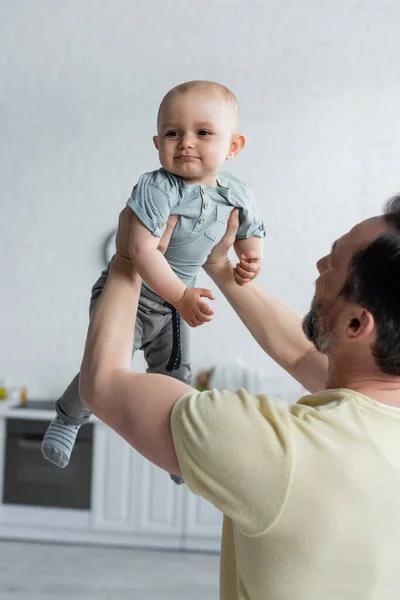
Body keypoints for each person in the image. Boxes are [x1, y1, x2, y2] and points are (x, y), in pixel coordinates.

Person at [80, 196, 400, 600]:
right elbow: (302, 354)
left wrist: (130, 257)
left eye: (333, 265)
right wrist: (218, 266)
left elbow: (104, 384)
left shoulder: (284, 451)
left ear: (356, 323)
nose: (320, 266)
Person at [41, 80, 264, 476]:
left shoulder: (237, 193)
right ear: (157, 141)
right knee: (105, 367)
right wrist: (181, 296)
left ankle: (175, 446)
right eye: (173, 133)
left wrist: (249, 260)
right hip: (133, 294)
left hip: (178, 301)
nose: (186, 143)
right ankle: (68, 418)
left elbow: (248, 233)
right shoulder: (158, 186)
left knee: (176, 375)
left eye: (203, 132)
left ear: (233, 146)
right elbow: (142, 251)